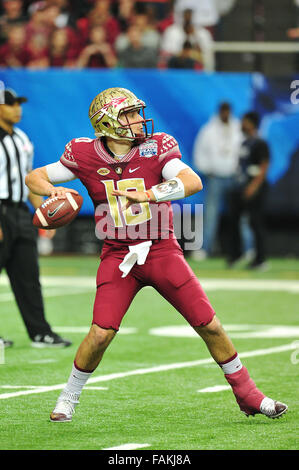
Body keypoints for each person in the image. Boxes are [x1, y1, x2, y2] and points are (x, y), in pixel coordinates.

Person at [25, 87, 287, 422]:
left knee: (210, 325)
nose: (138, 120)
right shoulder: (84, 154)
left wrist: (150, 194)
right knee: (101, 333)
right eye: (129, 114)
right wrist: (53, 189)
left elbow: (191, 181)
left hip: (161, 250)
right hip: (118, 256)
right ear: (108, 122)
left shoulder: (155, 146)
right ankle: (68, 397)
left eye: (137, 112)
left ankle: (250, 394)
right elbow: (36, 176)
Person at [0, 88, 72, 348]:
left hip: (19, 211)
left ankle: (40, 332)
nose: (17, 108)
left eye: (18, 103)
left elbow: (28, 177)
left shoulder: (21, 137)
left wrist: (44, 213)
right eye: (10, 104)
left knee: (28, 276)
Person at [192, 102, 248, 259]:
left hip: (234, 177)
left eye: (227, 111)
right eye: (223, 111)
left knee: (241, 215)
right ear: (219, 112)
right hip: (215, 177)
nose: (225, 114)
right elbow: (199, 152)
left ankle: (247, 249)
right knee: (210, 215)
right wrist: (207, 170)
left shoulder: (238, 128)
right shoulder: (208, 130)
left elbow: (245, 149)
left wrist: (240, 171)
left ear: (230, 112)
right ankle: (204, 249)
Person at [226, 111, 270, 269]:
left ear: (251, 123)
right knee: (234, 220)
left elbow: (264, 166)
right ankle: (236, 255)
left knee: (256, 222)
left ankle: (260, 259)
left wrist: (253, 186)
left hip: (254, 187)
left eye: (244, 121)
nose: (241, 124)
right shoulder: (244, 143)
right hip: (241, 186)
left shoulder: (260, 143)